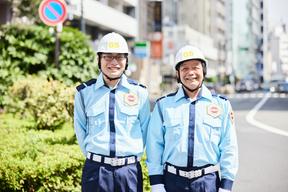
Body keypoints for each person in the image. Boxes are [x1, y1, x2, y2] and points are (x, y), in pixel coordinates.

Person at [146, 45, 238, 192]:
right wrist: (157, 184)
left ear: (204, 70)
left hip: (207, 183)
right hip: (172, 182)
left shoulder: (222, 105)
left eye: (195, 67)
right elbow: (154, 146)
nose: (190, 73)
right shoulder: (163, 106)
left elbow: (229, 147)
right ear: (178, 73)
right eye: (184, 69)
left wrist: (226, 186)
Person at [74, 32, 150, 192]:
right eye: (108, 57)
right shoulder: (84, 93)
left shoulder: (140, 93)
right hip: (96, 171)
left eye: (119, 57)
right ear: (99, 60)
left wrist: (130, 157)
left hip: (129, 172)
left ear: (126, 61)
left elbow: (145, 130)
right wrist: (96, 157)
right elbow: (80, 129)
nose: (113, 62)